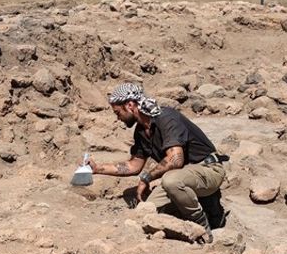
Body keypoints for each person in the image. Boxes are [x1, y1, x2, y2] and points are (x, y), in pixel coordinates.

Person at [89, 83, 228, 230]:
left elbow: (176, 159)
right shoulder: (141, 131)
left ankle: (202, 226)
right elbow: (133, 165)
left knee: (170, 181)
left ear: (130, 105)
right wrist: (97, 168)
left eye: (118, 113)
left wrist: (147, 177)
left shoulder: (166, 118)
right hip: (182, 176)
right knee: (147, 211)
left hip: (208, 169)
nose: (118, 118)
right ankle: (198, 207)